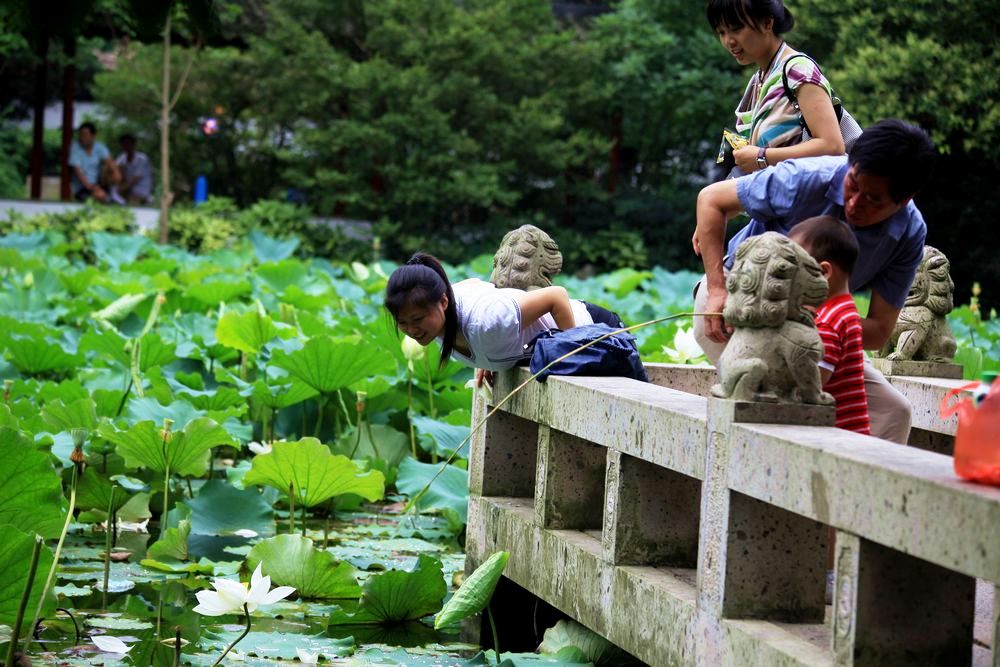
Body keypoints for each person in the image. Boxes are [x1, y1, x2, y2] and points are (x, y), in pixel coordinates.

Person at [692, 119, 937, 443]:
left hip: (819, 332)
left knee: (892, 412)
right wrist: (717, 289)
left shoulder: (909, 233)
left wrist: (820, 321)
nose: (854, 203)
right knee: (784, 402)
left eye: (873, 200)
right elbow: (711, 200)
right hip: (739, 314)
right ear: (850, 164)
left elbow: (878, 331)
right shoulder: (807, 177)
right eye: (853, 184)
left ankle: (851, 493)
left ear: (904, 200)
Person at [385, 253, 624, 386]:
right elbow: (476, 286)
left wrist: (571, 359)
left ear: (444, 302)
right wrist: (486, 358)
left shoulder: (488, 322)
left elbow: (556, 296)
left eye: (417, 318)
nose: (411, 330)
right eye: (402, 323)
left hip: (601, 334)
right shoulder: (437, 325)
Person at [708, 0, 844, 177]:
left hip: (802, 194)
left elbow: (832, 145)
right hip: (777, 193)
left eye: (736, 29)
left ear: (767, 23)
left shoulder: (798, 70)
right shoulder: (759, 80)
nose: (729, 41)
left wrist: (761, 157)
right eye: (721, 32)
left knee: (709, 198)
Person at [789, 216, 870, 434]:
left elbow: (813, 384)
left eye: (794, 269)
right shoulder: (842, 308)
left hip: (838, 434)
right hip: (847, 431)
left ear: (824, 272)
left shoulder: (828, 322)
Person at [69, 122, 117, 202]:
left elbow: (111, 165)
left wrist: (114, 176)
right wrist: (93, 188)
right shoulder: (75, 148)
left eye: (85, 135)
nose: (82, 138)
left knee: (109, 199)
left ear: (93, 136)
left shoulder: (100, 147)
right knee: (99, 198)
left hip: (98, 185)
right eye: (81, 135)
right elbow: (78, 172)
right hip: (82, 187)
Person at [116, 134, 154, 204]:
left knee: (132, 201)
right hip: (127, 190)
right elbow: (115, 172)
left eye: (128, 144)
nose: (126, 147)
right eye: (124, 144)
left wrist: (119, 190)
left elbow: (134, 181)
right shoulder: (121, 158)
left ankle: (145, 200)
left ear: (134, 145)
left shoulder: (142, 159)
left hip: (141, 191)